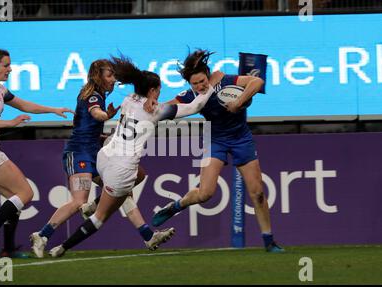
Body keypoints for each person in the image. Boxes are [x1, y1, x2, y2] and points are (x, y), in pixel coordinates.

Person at [47, 55, 218, 257]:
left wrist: (151, 98)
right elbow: (195, 107)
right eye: (159, 89)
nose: (160, 93)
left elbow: (144, 98)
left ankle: (140, 231)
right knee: (100, 217)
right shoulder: (157, 110)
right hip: (121, 169)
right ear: (153, 90)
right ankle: (62, 247)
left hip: (104, 157)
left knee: (136, 180)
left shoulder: (129, 99)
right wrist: (210, 88)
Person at [29, 59, 175, 258]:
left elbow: (81, 123)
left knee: (131, 182)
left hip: (94, 151)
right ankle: (42, 235)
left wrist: (103, 135)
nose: (113, 79)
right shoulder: (93, 97)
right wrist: (105, 115)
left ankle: (147, 235)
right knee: (79, 200)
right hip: (79, 153)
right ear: (97, 76)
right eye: (109, 75)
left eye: (114, 75)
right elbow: (96, 114)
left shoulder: (94, 94)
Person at [151, 49, 284, 253]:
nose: (200, 86)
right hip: (215, 140)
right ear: (190, 84)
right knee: (205, 193)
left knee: (257, 193)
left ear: (208, 75)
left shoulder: (227, 81)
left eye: (202, 81)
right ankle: (176, 206)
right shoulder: (190, 96)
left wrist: (238, 102)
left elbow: (257, 83)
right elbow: (165, 109)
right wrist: (149, 107)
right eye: (195, 84)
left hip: (241, 138)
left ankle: (269, 241)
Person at [0, 48, 74, 258]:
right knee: (26, 193)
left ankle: (8, 249)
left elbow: (24, 105)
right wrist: (10, 123)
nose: (10, 69)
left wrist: (53, 110)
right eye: (6, 65)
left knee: (14, 198)